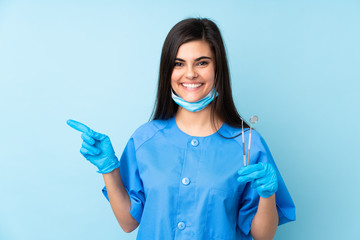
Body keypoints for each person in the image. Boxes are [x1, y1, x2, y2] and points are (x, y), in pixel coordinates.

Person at [67, 18, 295, 240]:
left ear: (218, 69)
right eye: (179, 63)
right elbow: (128, 223)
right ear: (168, 71)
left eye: (202, 62)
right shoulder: (145, 139)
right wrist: (110, 169)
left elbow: (262, 236)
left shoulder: (247, 144)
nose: (190, 74)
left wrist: (267, 196)